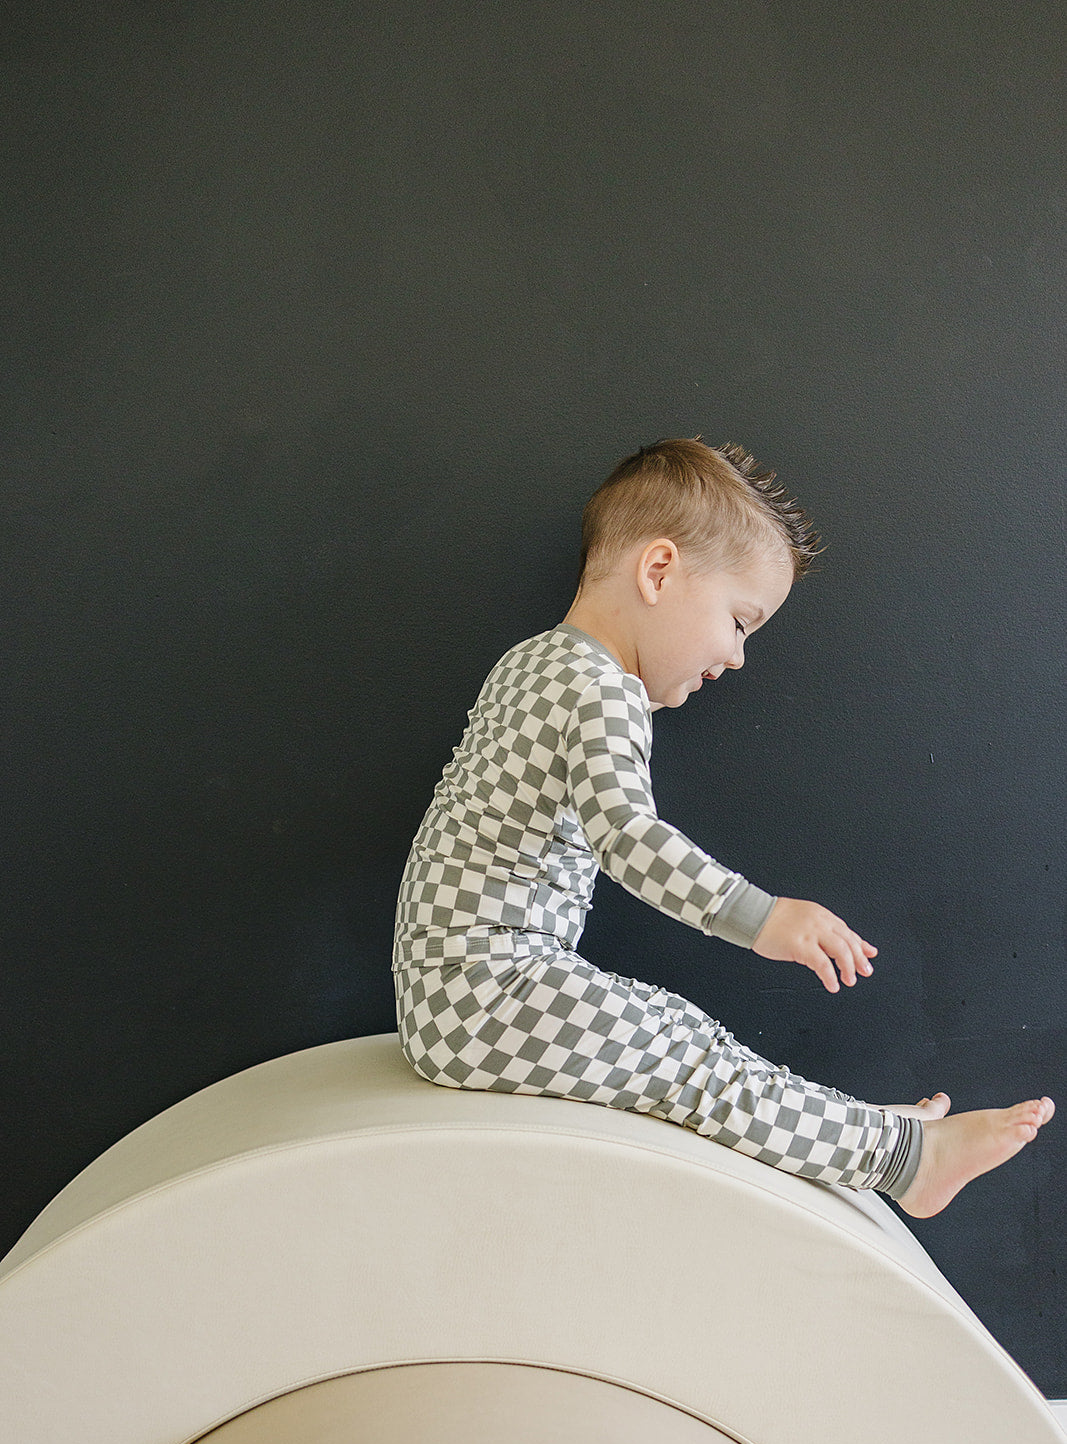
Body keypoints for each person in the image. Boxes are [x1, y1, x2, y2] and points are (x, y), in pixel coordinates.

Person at [392, 437, 1053, 1217]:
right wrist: (760, 918)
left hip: (451, 992)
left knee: (677, 1035)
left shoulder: (534, 662)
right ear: (658, 571)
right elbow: (626, 837)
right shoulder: (600, 691)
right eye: (739, 622)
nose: (737, 657)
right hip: (485, 996)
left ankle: (854, 1130)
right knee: (681, 1055)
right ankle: (898, 1159)